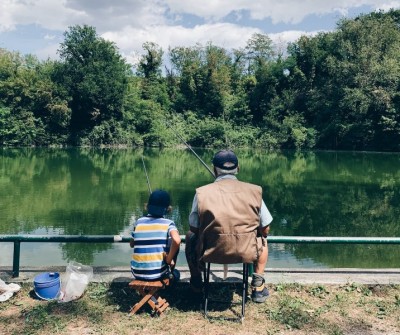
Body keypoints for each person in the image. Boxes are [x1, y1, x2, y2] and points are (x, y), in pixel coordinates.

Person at [185, 150, 272, 303]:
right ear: (238, 168)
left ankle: (197, 283)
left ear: (214, 169)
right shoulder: (254, 191)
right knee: (263, 240)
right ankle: (258, 286)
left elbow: (193, 228)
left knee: (190, 236)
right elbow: (265, 229)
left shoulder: (201, 193)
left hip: (210, 252)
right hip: (246, 252)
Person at [130, 189, 181, 281]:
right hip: (157, 274)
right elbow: (177, 241)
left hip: (136, 273)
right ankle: (168, 280)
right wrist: (169, 259)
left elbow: (132, 244)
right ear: (167, 209)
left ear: (148, 206)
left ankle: (148, 293)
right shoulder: (168, 223)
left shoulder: (138, 222)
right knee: (176, 274)